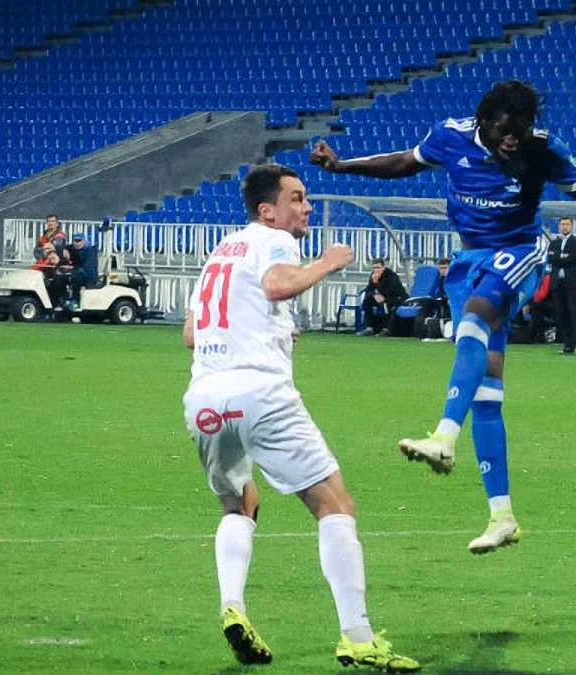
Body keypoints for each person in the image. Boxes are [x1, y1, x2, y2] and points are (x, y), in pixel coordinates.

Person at [311, 80, 576, 553]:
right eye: (503, 131)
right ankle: (502, 517)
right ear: (484, 123)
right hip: (469, 260)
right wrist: (341, 165)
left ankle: (444, 436)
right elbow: (404, 162)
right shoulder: (451, 136)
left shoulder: (543, 149)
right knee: (486, 393)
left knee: (473, 321)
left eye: (521, 130)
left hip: (518, 251)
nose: (512, 140)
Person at [180, 164, 418, 671]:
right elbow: (277, 285)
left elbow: (191, 334)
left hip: (204, 399)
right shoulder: (275, 240)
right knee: (335, 505)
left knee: (240, 504)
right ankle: (357, 636)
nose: (307, 207)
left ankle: (233, 606)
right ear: (267, 211)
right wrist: (329, 262)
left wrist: (267, 331)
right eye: (297, 198)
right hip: (260, 392)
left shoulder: (221, 252)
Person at [547, 216, 576, 354]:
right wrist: (563, 256)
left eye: (567, 224)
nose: (565, 227)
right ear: (559, 226)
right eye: (562, 224)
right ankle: (568, 345)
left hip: (573, 283)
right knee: (562, 315)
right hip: (557, 283)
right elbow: (551, 258)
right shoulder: (554, 242)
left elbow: (574, 258)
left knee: (575, 314)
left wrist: (559, 257)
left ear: (572, 226)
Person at [357, 258, 409, 336]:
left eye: (378, 267)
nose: (376, 270)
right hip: (381, 296)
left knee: (384, 303)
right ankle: (369, 328)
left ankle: (386, 329)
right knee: (368, 299)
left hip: (397, 298)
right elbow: (369, 289)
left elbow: (389, 291)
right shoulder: (373, 275)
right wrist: (374, 292)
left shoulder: (391, 276)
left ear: (383, 268)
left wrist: (376, 284)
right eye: (374, 268)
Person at [65, 231, 99, 305]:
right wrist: (65, 250)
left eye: (79, 241)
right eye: (75, 241)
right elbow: (66, 248)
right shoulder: (72, 248)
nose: (77, 243)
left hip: (89, 276)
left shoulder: (90, 250)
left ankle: (77, 302)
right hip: (79, 273)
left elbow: (88, 267)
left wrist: (72, 271)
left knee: (75, 279)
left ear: (84, 241)